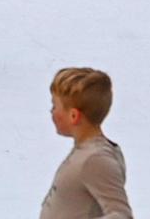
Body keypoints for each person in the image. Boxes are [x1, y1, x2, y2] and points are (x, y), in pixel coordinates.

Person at [40, 67, 133, 219]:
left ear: (73, 115)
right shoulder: (87, 152)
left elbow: (121, 214)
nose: (51, 112)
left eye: (54, 106)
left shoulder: (95, 159)